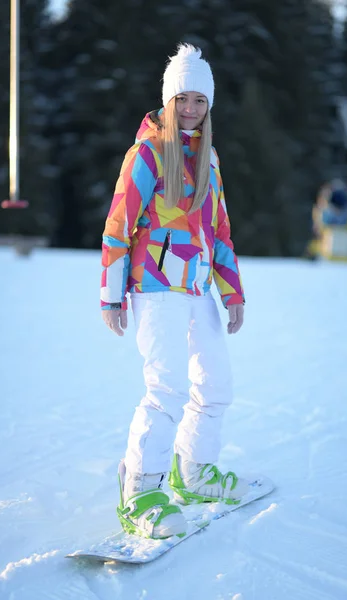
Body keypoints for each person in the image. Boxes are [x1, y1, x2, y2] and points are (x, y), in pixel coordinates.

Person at [101, 43, 247, 540]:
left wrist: (232, 292)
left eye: (199, 101)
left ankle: (196, 472)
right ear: (168, 100)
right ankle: (140, 490)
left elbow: (219, 230)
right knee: (166, 390)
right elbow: (119, 223)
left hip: (198, 289)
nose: (190, 109)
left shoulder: (209, 159)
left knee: (215, 385)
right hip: (155, 286)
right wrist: (111, 293)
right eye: (182, 99)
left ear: (209, 107)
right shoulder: (146, 153)